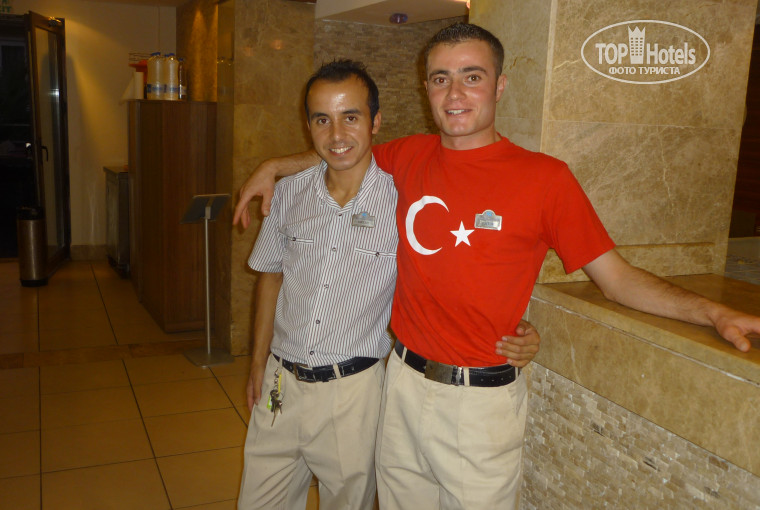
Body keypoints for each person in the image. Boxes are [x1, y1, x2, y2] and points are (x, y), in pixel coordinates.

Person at [233, 23, 760, 510]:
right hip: (401, 388)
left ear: (500, 86)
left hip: (479, 404)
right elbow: (342, 148)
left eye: (472, 77)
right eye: (441, 79)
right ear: (426, 89)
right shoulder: (409, 156)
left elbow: (617, 279)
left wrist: (711, 313)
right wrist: (273, 167)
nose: (455, 94)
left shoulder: (545, 179)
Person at [237, 59, 541, 510]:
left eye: (351, 117)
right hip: (280, 382)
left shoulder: (406, 196)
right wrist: (257, 362)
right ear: (308, 125)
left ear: (375, 122)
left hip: (353, 392)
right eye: (322, 119)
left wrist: (514, 326)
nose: (336, 133)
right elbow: (271, 278)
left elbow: (456, 268)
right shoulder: (289, 194)